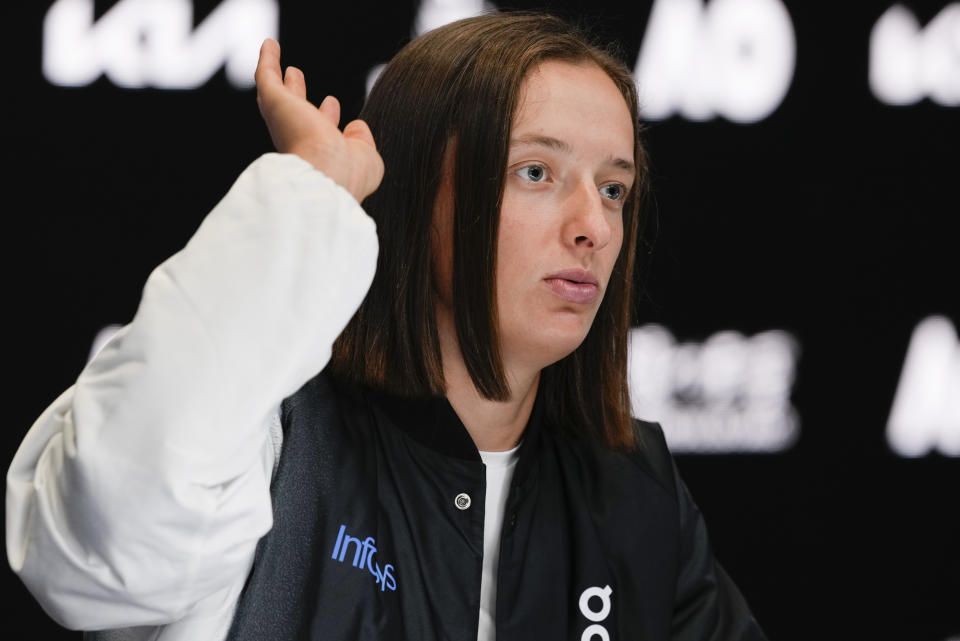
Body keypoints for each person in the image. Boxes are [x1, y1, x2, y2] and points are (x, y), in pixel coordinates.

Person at [6, 12, 768, 641]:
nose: (594, 227)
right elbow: (100, 550)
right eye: (535, 172)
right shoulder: (269, 444)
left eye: (613, 188)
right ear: (412, 197)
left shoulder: (633, 485)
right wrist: (311, 197)